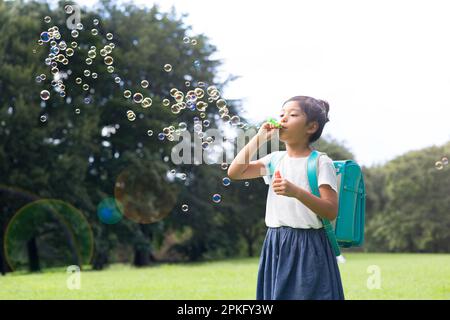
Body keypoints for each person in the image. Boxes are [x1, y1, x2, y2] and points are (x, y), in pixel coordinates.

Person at [227, 96, 345, 300]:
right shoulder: (275, 160)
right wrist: (259, 138)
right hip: (276, 241)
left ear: (311, 127)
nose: (283, 119)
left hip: (309, 245)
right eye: (281, 114)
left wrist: (296, 192)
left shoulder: (320, 163)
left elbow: (330, 210)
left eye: (292, 115)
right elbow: (235, 172)